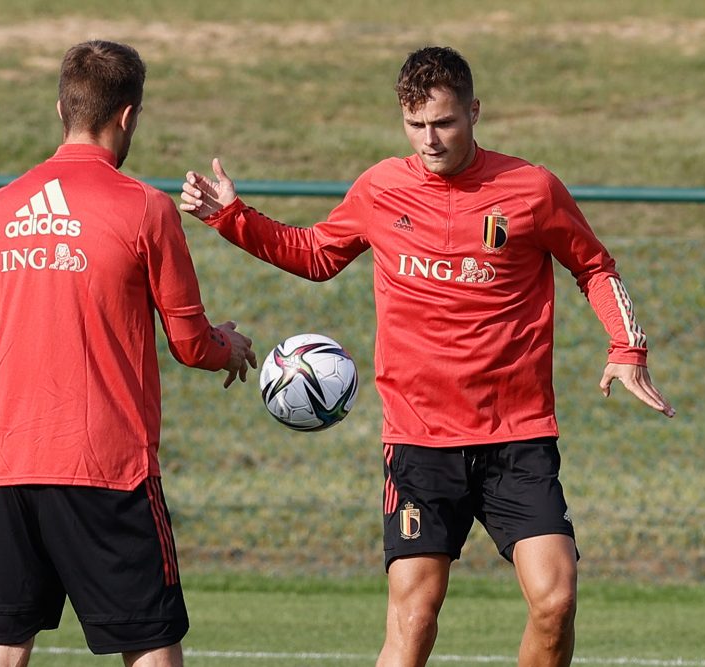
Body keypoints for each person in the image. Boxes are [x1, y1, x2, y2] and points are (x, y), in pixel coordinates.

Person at [180, 46, 675, 667]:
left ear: (474, 110)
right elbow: (315, 255)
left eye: (444, 123)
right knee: (414, 620)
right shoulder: (382, 188)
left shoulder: (531, 189)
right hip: (419, 440)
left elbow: (594, 266)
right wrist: (232, 217)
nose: (430, 140)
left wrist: (627, 348)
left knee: (556, 600)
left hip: (516, 437)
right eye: (416, 125)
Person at [0, 40, 256, 667]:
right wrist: (227, 346)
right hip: (108, 468)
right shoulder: (145, 208)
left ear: (61, 108)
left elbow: (10, 315)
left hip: (16, 463)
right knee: (152, 652)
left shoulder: (1, 208)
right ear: (127, 116)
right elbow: (189, 342)